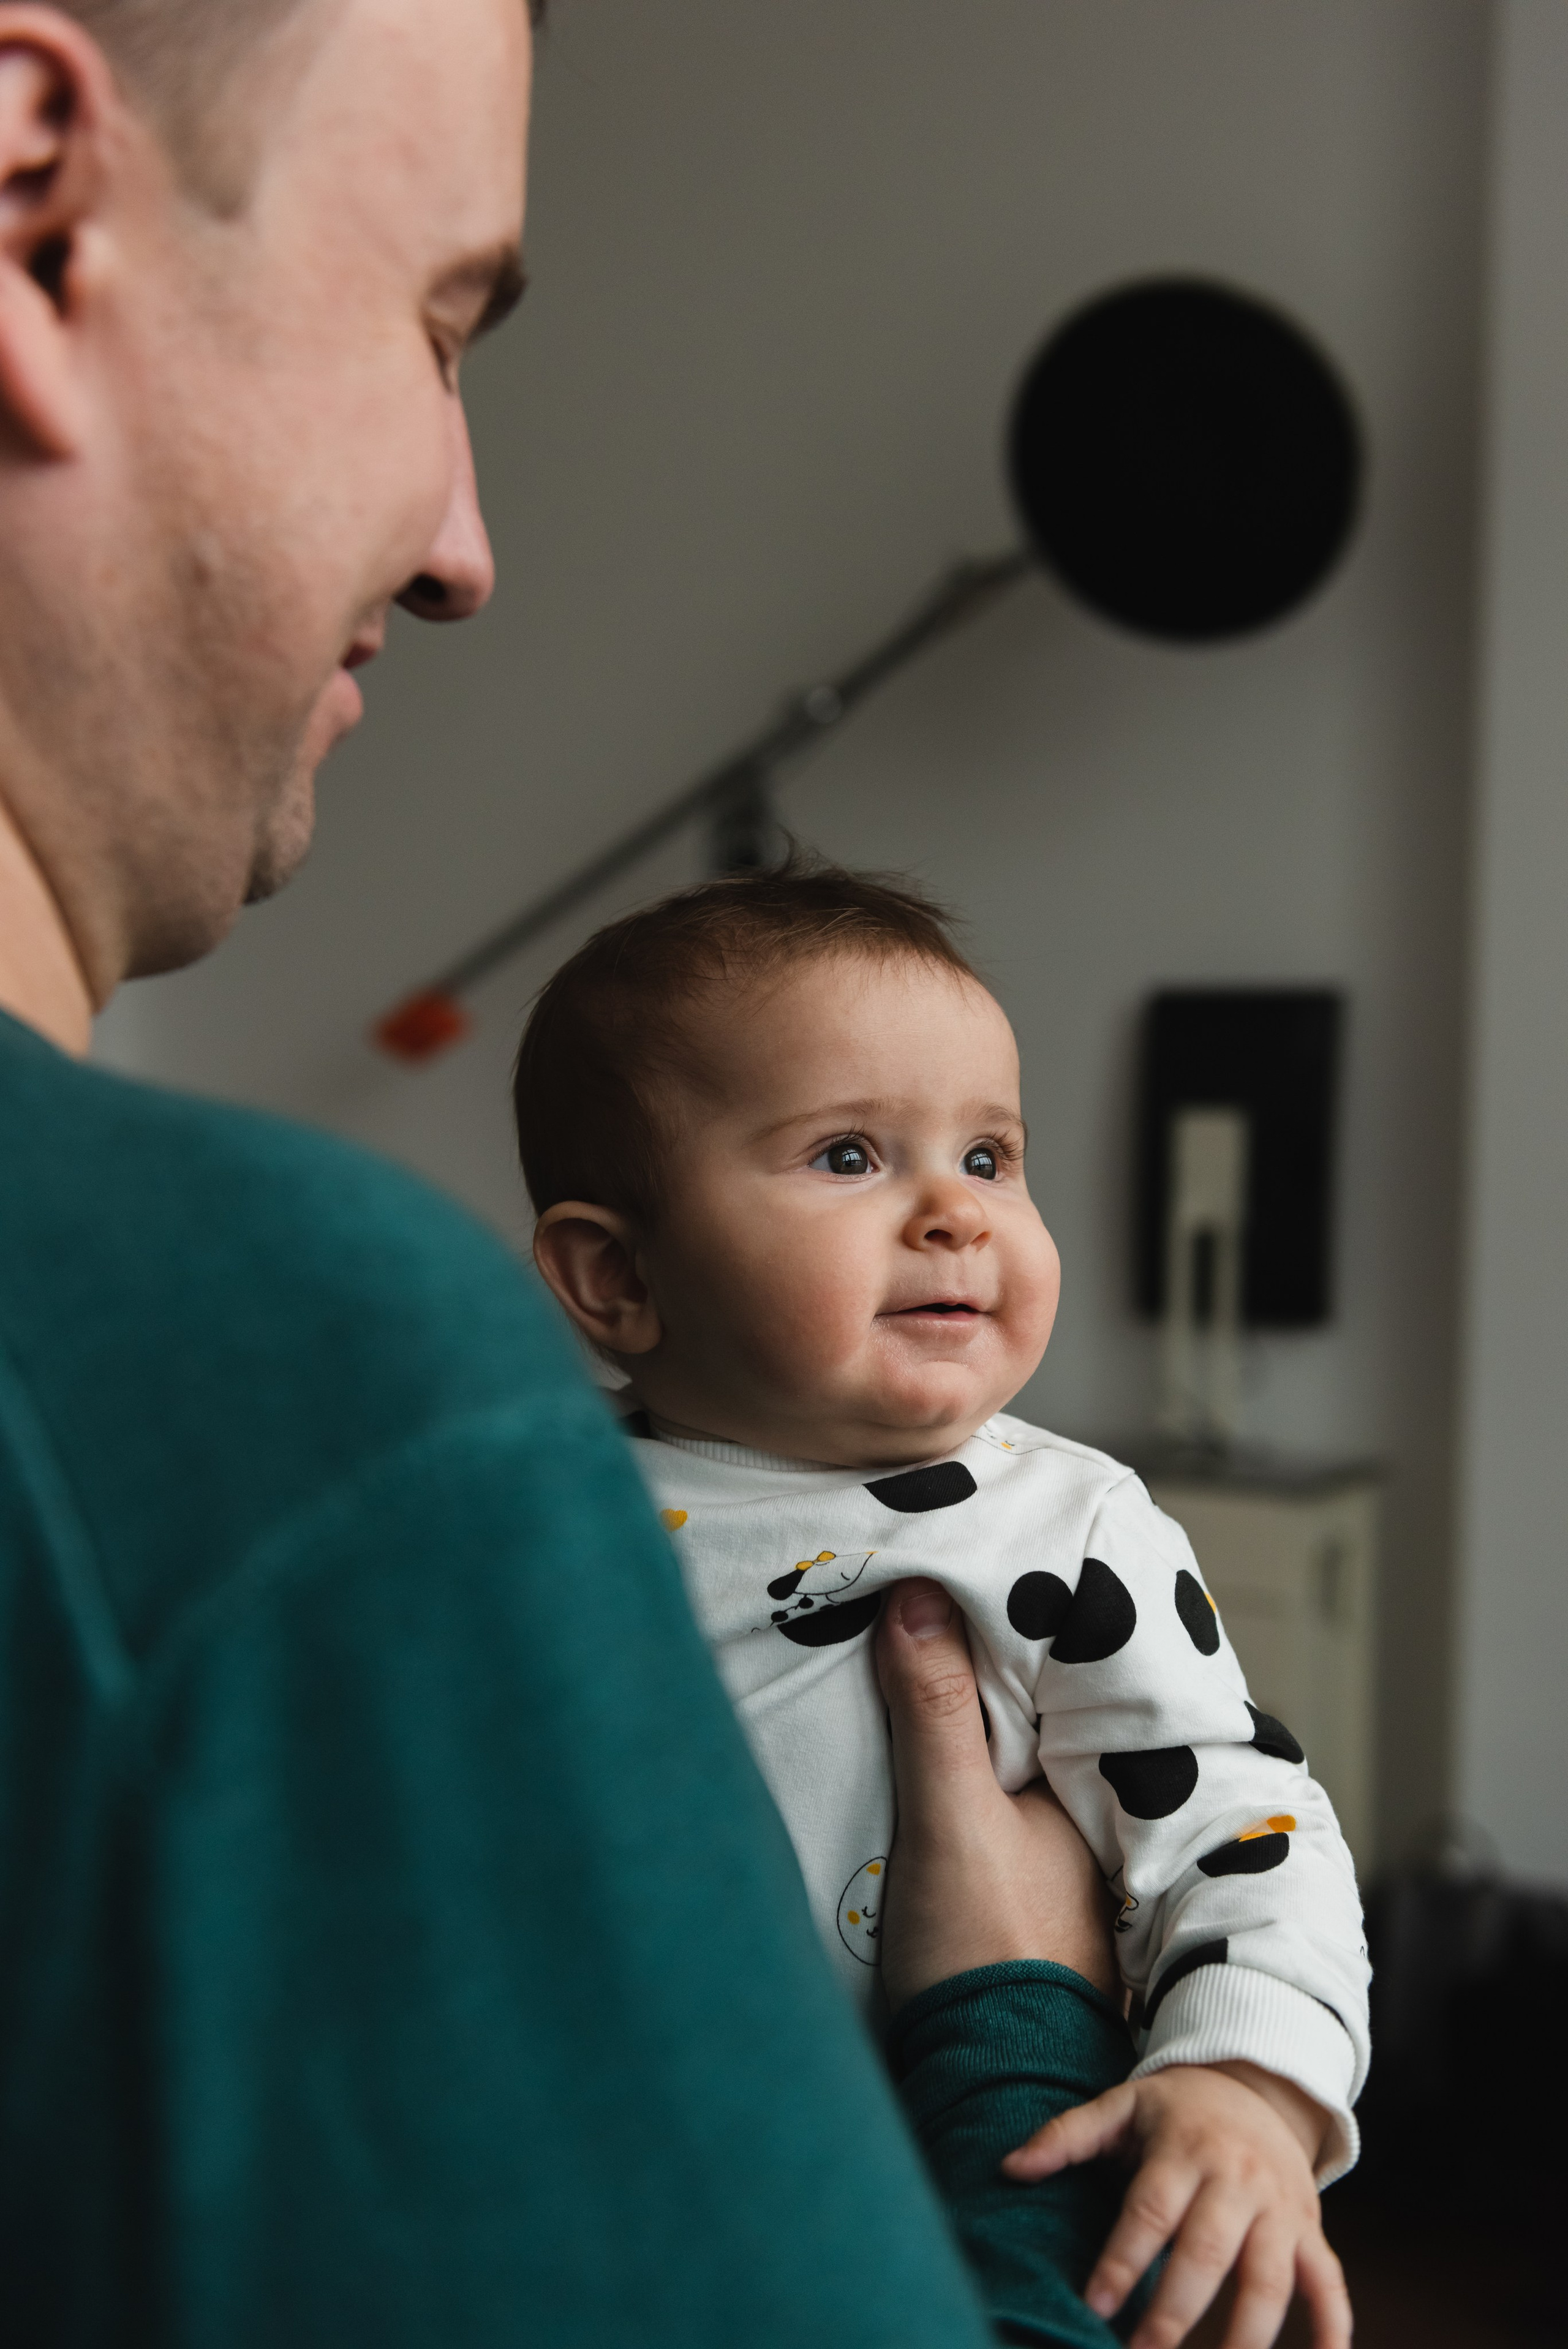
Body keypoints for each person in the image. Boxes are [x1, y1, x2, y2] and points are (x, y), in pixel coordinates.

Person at [0, 4, 1164, 2344]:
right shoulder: (311, 1404)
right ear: (34, 201)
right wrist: (1016, 2013)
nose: (463, 549)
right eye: (434, 322)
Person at [521, 864, 1366, 2349]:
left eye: (988, 1156)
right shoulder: (525, 1504)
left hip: (938, 2199)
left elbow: (1239, 1820)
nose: (951, 1216)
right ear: (615, 1274)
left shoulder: (1058, 1528)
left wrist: (1247, 2080)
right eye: (848, 1154)